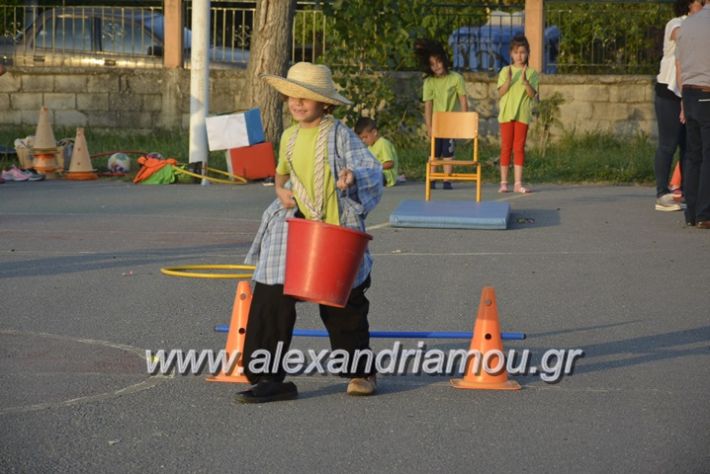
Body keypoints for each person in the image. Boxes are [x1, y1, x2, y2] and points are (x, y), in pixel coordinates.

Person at [236, 62, 384, 403]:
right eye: (293, 96)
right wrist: (279, 189)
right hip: (295, 223)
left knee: (342, 303)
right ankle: (267, 377)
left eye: (307, 97)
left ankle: (360, 370)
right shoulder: (288, 136)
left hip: (335, 225)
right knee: (271, 293)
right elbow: (281, 175)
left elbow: (369, 169)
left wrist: (352, 178)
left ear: (324, 103)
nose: (298, 103)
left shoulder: (339, 134)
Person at [653, 0, 703, 212]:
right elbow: (679, 34)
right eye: (701, 2)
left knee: (688, 145)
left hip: (688, 91)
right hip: (669, 91)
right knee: (668, 143)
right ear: (690, 4)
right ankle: (661, 193)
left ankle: (686, 191)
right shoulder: (676, 23)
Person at [415, 39, 468, 190]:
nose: (436, 66)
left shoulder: (456, 78)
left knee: (448, 152)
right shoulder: (429, 82)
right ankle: (432, 179)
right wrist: (429, 126)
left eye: (438, 62)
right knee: (434, 152)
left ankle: (447, 180)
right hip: (437, 123)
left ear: (444, 60)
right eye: (432, 64)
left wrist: (463, 121)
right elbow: (428, 106)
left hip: (450, 122)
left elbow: (463, 101)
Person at [676, 0, 710, 228]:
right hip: (707, 91)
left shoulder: (687, 24)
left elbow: (678, 65)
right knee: (708, 154)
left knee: (693, 154)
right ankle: (704, 213)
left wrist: (682, 104)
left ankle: (691, 211)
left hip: (688, 92)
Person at [496, 34, 539, 194]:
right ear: (511, 54)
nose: (519, 56)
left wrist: (525, 81)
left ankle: (518, 183)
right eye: (516, 52)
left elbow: (531, 94)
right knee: (506, 147)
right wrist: (508, 80)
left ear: (527, 53)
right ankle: (504, 182)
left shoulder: (532, 73)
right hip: (506, 115)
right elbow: (501, 93)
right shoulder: (505, 71)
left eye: (522, 52)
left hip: (522, 115)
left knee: (519, 148)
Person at [354, 117, 400, 187]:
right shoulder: (369, 147)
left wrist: (375, 167)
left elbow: (390, 163)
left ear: (374, 132)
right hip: (375, 173)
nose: (363, 141)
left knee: (367, 177)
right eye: (361, 138)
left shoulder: (383, 144)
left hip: (386, 176)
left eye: (365, 137)